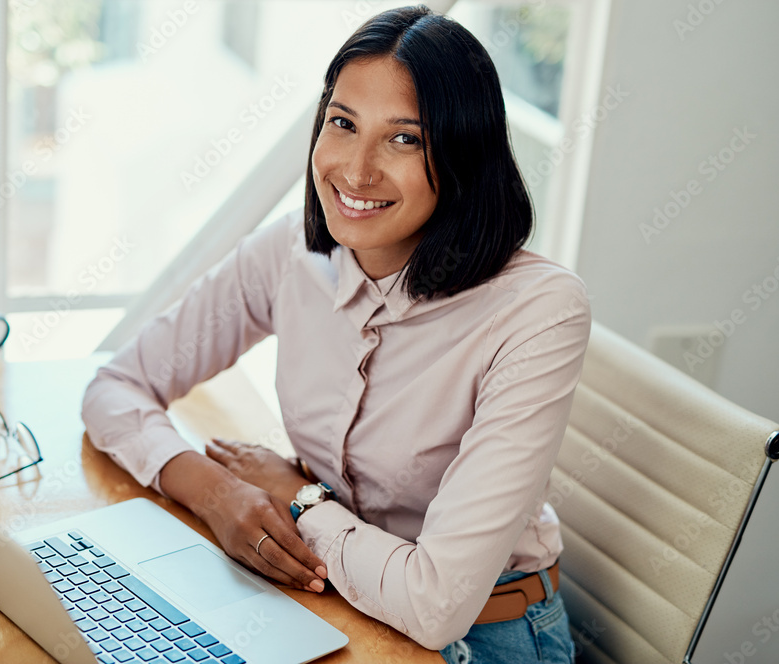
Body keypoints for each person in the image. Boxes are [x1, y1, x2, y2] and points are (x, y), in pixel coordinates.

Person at [82, 5, 590, 663]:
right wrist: (216, 493)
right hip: (332, 601)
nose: (355, 170)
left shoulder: (537, 311)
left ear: (462, 153)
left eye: (404, 139)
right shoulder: (290, 257)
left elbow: (435, 607)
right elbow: (116, 386)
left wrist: (297, 498)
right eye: (343, 124)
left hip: (484, 638)